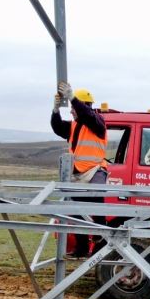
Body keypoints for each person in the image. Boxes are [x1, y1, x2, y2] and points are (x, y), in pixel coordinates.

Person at [50, 82, 108, 257]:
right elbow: (57, 127)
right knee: (75, 211)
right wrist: (55, 111)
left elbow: (87, 115)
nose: (72, 111)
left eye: (73, 107)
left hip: (95, 170)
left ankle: (99, 235)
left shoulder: (97, 122)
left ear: (84, 105)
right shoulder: (73, 126)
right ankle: (81, 248)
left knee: (96, 198)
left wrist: (72, 98)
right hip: (78, 174)